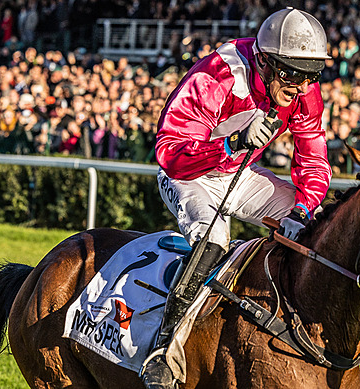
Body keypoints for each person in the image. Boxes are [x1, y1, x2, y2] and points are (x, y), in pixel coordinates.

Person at [141, 8, 332, 388]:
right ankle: (164, 350)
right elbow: (170, 153)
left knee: (317, 227)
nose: (302, 86)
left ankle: (323, 348)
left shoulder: (303, 92)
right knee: (214, 239)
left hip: (236, 172)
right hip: (187, 175)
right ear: (263, 60)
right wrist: (230, 143)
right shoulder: (217, 75)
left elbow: (312, 158)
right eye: (292, 72)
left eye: (312, 74)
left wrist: (303, 207)